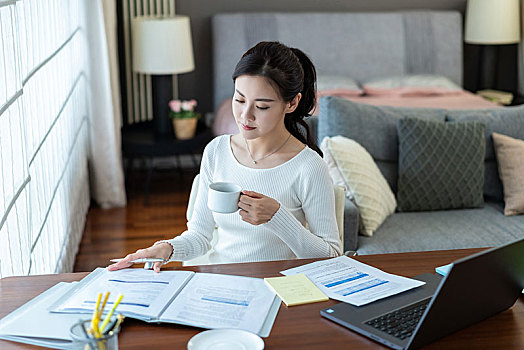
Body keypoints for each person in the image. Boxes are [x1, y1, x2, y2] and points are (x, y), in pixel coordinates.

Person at [109, 41, 341, 272]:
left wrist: (277, 217)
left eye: (261, 106)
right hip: (221, 285)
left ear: (291, 103)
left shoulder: (309, 167)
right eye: (239, 100)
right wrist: (166, 249)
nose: (245, 116)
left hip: (279, 290)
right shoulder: (217, 151)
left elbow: (331, 256)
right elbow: (200, 237)